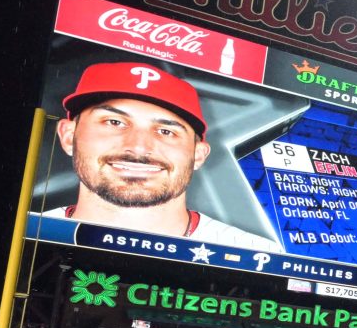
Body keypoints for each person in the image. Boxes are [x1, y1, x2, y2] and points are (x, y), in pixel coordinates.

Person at [51, 62, 283, 253]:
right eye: (114, 123)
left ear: (198, 155)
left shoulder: (256, 254)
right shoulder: (24, 232)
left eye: (166, 131)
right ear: (69, 136)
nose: (139, 147)